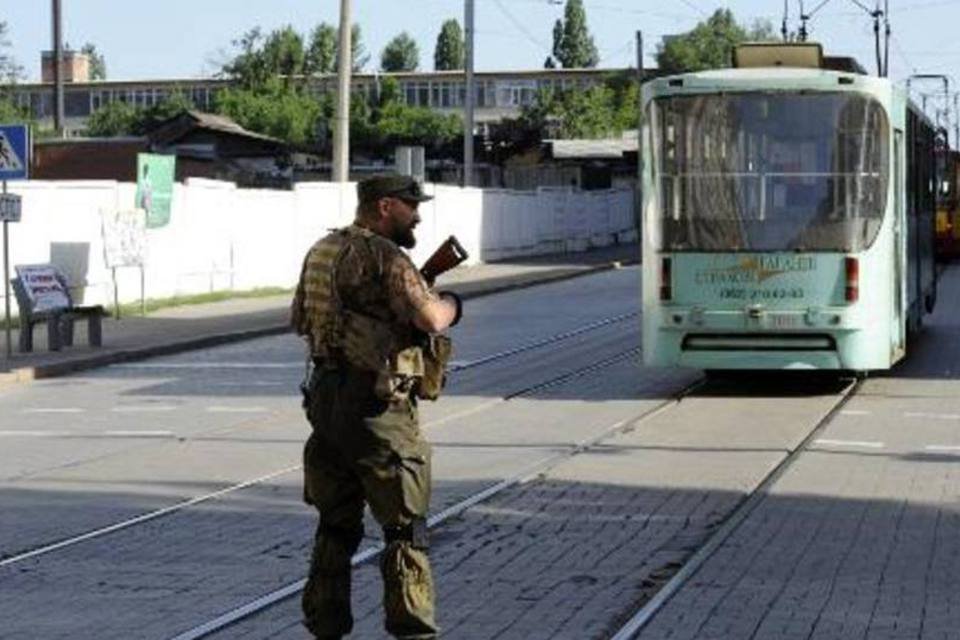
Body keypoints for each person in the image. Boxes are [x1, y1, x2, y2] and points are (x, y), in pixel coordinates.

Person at [291, 174, 463, 639]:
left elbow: (300, 318)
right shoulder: (386, 256)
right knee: (405, 529)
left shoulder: (322, 250)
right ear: (385, 206)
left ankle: (325, 624)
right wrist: (449, 303)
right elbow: (429, 318)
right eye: (411, 206)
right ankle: (413, 630)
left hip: (326, 400)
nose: (418, 215)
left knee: (335, 524)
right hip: (377, 406)